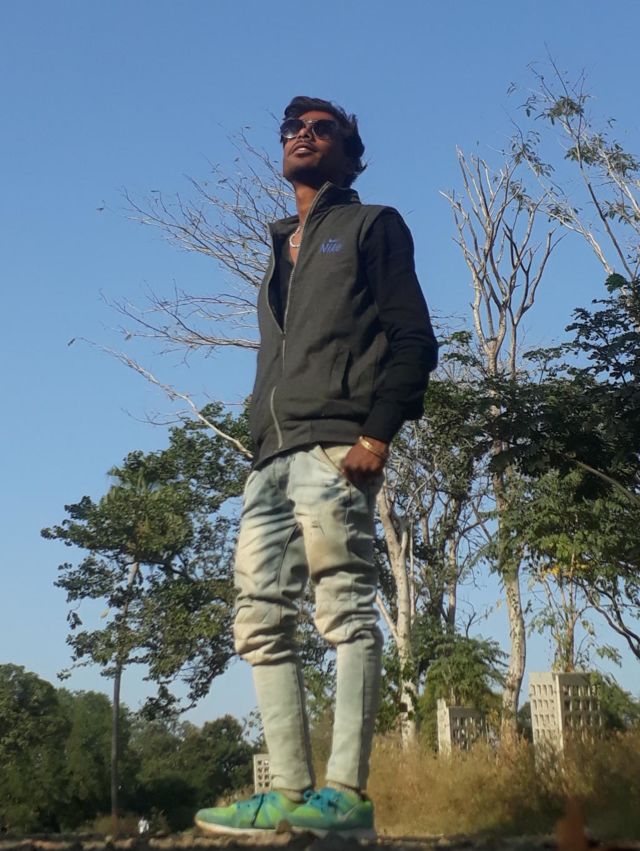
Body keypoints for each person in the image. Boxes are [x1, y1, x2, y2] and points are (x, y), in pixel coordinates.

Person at [195, 96, 438, 839]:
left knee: (344, 609)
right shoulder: (280, 248)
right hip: (268, 458)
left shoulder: (372, 226)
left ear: (350, 154)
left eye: (321, 128)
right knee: (258, 619)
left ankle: (346, 795)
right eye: (293, 128)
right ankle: (288, 791)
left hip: (337, 447)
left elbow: (414, 340)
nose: (303, 135)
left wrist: (377, 436)